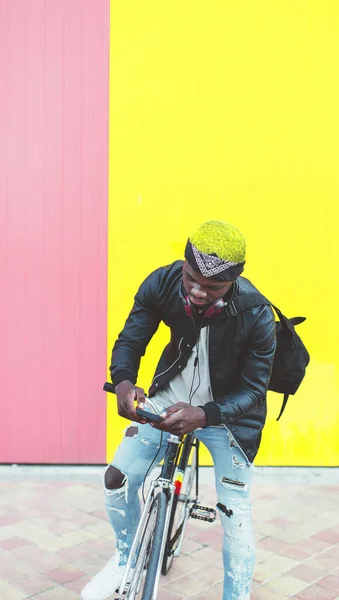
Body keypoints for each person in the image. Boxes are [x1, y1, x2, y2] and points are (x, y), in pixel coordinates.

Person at [81, 220, 276, 600]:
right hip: (167, 400)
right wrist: (123, 382)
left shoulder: (256, 313)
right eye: (191, 278)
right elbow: (131, 339)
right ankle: (124, 561)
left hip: (228, 418)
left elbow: (255, 389)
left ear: (233, 282)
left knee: (234, 513)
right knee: (116, 480)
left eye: (213, 286)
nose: (197, 291)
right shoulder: (163, 281)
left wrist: (205, 415)